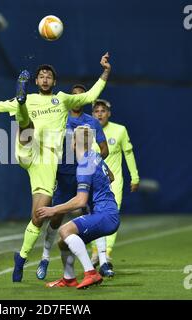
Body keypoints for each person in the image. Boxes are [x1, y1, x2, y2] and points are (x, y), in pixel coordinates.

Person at [0, 52, 111, 282]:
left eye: (48, 77)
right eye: (41, 76)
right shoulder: (33, 98)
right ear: (36, 82)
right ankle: (21, 101)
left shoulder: (63, 99)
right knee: (25, 122)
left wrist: (105, 70)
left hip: (47, 161)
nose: (45, 79)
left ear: (54, 82)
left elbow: (91, 95)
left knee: (38, 216)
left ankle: (22, 257)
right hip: (28, 149)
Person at [36, 84, 112, 280]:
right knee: (55, 219)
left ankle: (103, 262)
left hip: (84, 176)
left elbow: (104, 149)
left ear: (85, 99)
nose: (77, 98)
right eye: (74, 95)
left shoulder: (92, 122)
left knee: (93, 214)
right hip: (63, 176)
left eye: (81, 96)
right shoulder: (61, 117)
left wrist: (93, 163)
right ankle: (44, 257)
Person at [37, 125, 120, 289]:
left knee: (64, 230)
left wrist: (53, 209)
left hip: (105, 215)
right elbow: (111, 176)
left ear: (74, 144)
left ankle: (91, 273)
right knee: (63, 242)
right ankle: (69, 279)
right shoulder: (95, 156)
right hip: (108, 212)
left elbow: (80, 201)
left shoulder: (83, 166)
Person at [91, 99, 139, 267]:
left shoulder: (120, 130)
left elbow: (129, 154)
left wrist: (135, 177)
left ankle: (107, 253)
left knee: (111, 216)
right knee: (94, 216)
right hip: (93, 182)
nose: (99, 114)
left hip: (114, 182)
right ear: (92, 114)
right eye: (96, 111)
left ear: (109, 113)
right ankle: (96, 252)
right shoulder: (86, 131)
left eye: (103, 110)